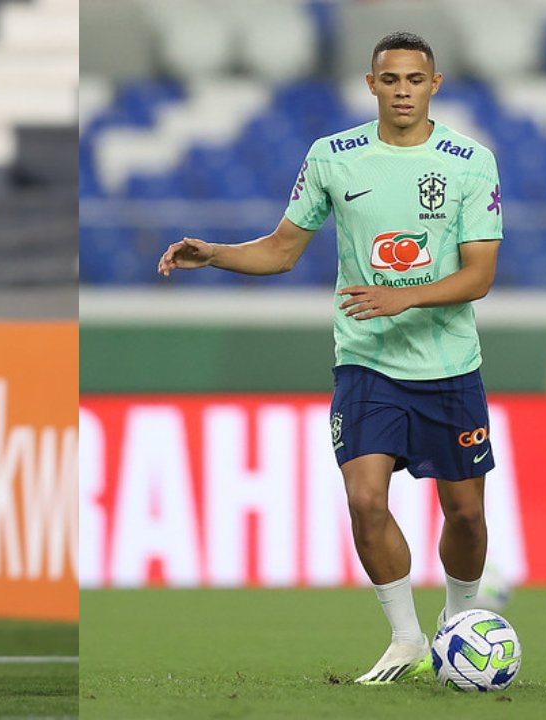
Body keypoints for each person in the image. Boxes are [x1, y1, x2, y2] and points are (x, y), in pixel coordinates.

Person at [158, 31, 502, 684]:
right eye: (391, 80)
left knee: (467, 513)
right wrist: (219, 254)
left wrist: (405, 299)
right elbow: (283, 249)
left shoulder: (470, 160)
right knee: (366, 501)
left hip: (450, 366)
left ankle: (459, 625)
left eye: (415, 80)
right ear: (371, 85)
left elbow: (479, 275)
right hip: (365, 363)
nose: (403, 91)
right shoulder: (333, 157)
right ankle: (406, 638)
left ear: (436, 84)